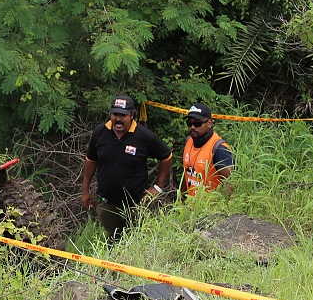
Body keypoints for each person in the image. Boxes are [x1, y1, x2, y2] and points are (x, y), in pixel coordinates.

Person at [81, 95, 173, 241]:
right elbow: (91, 160)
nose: (118, 119)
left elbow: (166, 156)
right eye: (115, 114)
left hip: (136, 203)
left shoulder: (143, 136)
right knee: (114, 239)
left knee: (136, 240)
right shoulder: (100, 133)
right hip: (107, 203)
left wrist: (158, 186)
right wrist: (85, 190)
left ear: (131, 115)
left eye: (123, 115)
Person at [181, 103, 233, 197]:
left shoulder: (219, 149)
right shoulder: (188, 142)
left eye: (197, 123)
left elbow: (230, 182)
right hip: (189, 208)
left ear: (209, 123)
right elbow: (187, 175)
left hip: (210, 209)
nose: (192, 127)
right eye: (189, 123)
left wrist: (221, 208)